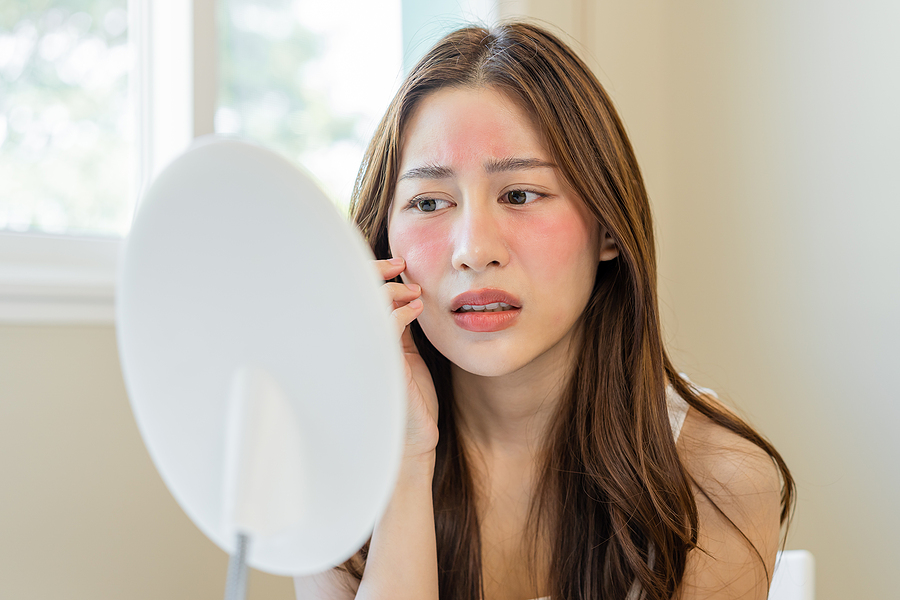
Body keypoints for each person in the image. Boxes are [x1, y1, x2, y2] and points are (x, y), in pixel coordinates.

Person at [294, 21, 793, 600]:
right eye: (429, 202)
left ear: (608, 227)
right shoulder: (331, 465)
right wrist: (407, 458)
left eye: (520, 195)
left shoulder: (715, 477)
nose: (474, 251)